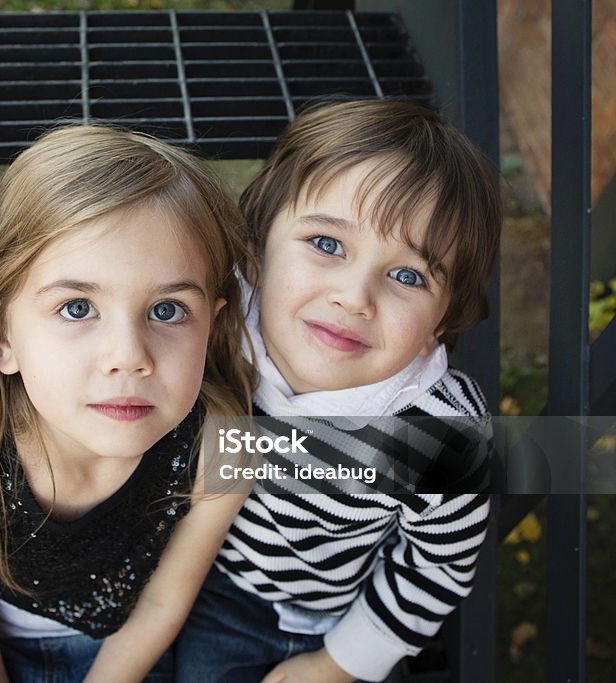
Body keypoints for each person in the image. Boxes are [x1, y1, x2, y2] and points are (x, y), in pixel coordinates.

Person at [0, 124, 255, 683]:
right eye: (76, 308)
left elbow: (163, 603)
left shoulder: (221, 444)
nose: (128, 356)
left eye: (167, 311)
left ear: (209, 322)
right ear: (6, 333)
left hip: (124, 657)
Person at [175, 99, 501, 683]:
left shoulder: (437, 434)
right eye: (327, 244)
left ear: (439, 329)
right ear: (256, 249)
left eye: (408, 276)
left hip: (341, 621)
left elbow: (437, 568)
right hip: (213, 590)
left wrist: (336, 665)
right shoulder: (216, 332)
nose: (354, 297)